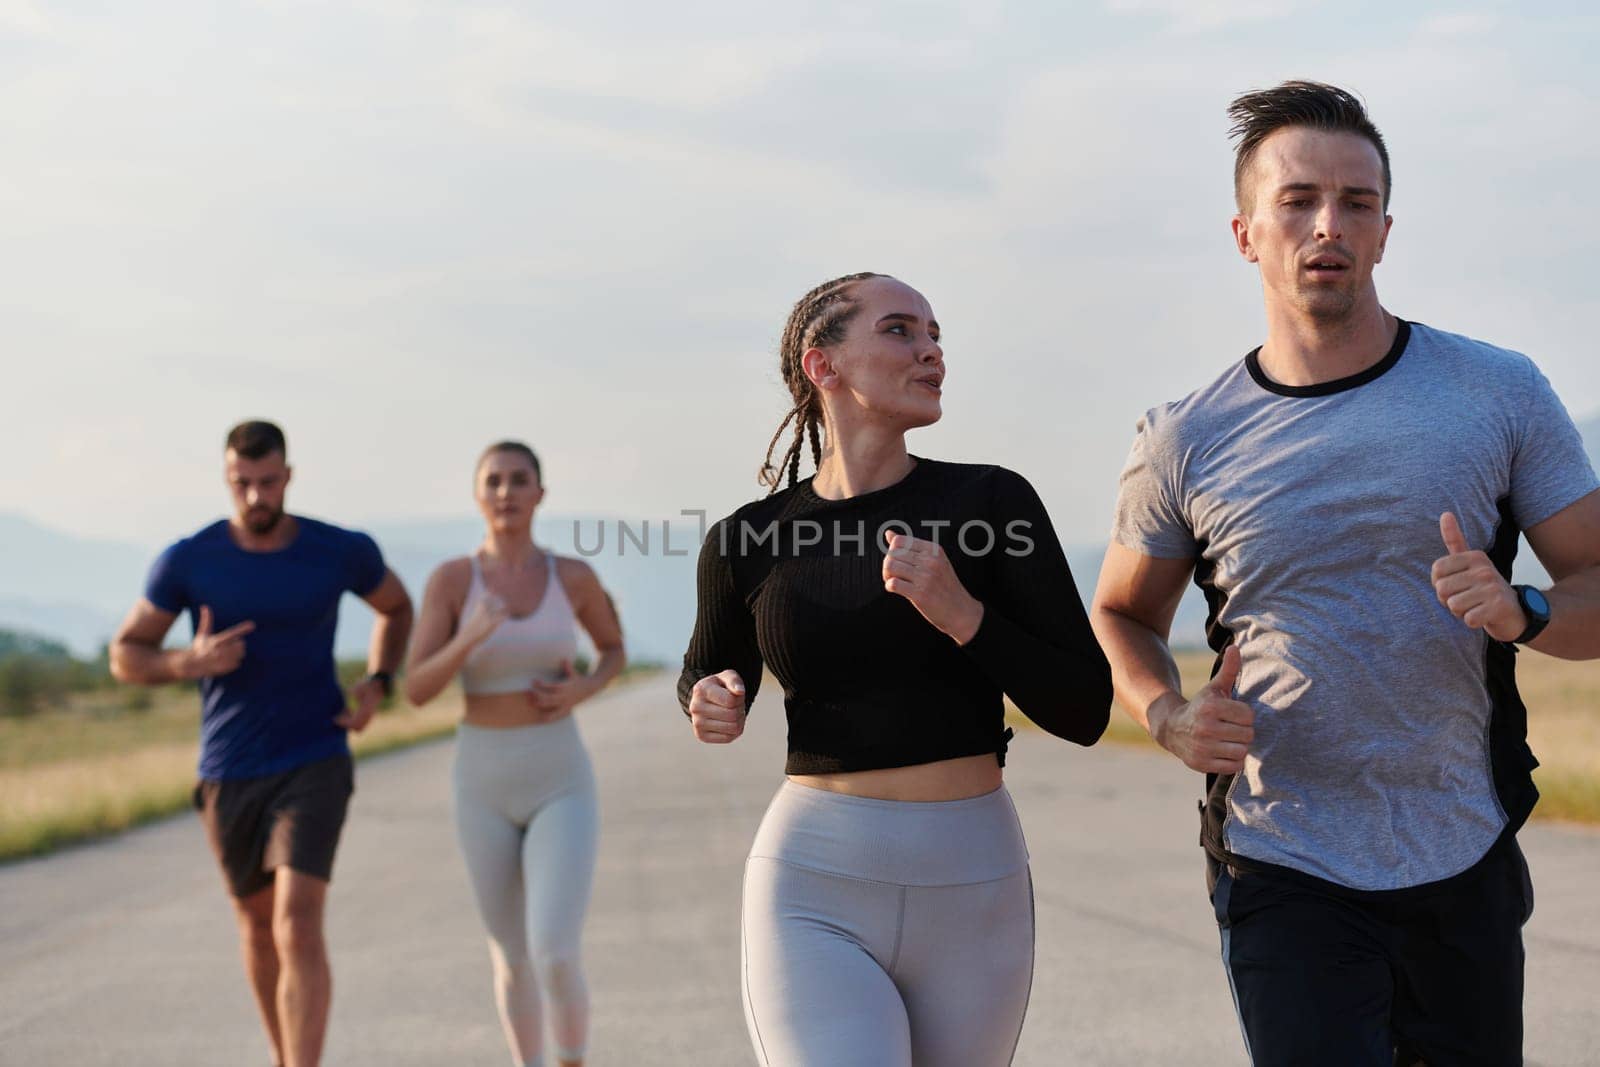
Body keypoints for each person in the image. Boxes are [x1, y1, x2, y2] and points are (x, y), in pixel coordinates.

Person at [1090, 81, 1600, 1066]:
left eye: (1355, 203)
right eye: (1297, 200)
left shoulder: (1493, 392)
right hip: (1280, 854)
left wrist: (1524, 607)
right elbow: (1120, 613)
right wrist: (1167, 714)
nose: (1327, 224)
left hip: (1463, 845)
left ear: (1383, 230)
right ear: (1244, 233)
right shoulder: (1184, 436)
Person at [680, 272, 1112, 1066]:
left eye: (935, 333)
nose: (931, 350)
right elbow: (709, 673)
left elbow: (1085, 708)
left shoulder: (993, 506)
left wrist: (963, 614)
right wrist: (708, 698)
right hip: (813, 880)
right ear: (824, 366)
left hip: (973, 880)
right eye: (900, 330)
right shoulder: (747, 539)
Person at [110, 419, 413, 1067]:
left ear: (289, 476)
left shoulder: (339, 549)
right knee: (255, 924)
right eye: (241, 483)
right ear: (227, 479)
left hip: (316, 755)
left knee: (296, 918)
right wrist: (183, 662)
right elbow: (126, 653)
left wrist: (378, 682)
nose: (255, 495)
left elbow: (396, 606)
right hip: (229, 767)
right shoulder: (188, 559)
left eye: (267, 481)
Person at [403, 441, 625, 1067]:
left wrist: (583, 687)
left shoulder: (572, 577)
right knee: (510, 953)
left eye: (518, 480)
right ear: (478, 496)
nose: (506, 492)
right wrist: (470, 635)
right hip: (482, 780)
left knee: (554, 949)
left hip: (560, 776)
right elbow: (417, 689)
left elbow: (613, 650)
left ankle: (573, 1059)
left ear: (539, 494)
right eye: (494, 481)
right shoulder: (451, 581)